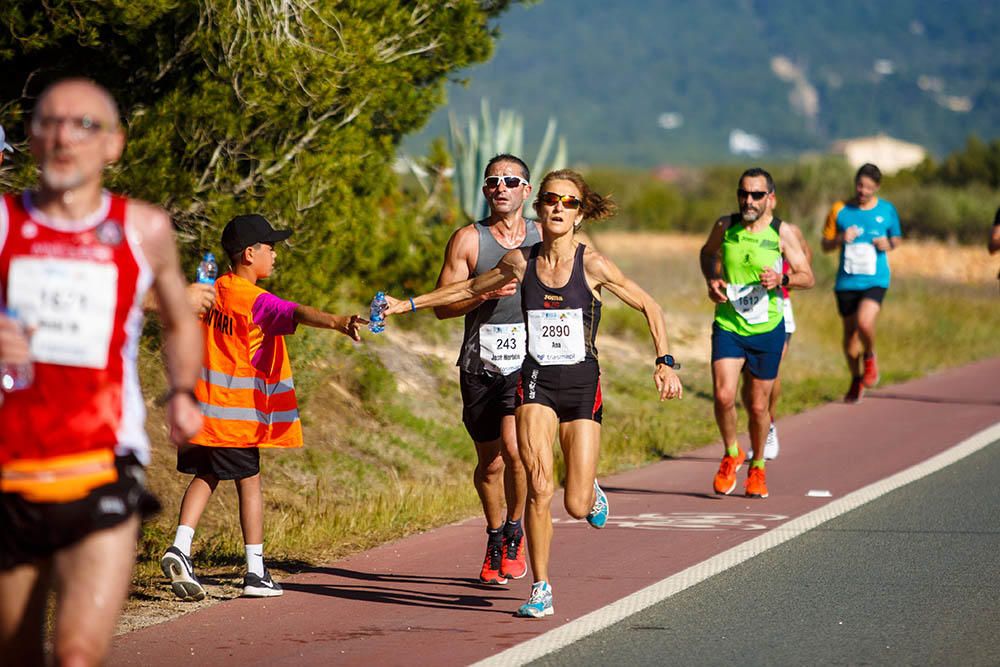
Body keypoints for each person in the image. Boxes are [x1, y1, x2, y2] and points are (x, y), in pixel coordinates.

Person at [384, 169, 683, 618]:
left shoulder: (594, 264)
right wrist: (405, 305)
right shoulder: (520, 261)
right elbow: (467, 287)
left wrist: (664, 362)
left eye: (569, 202)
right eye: (551, 200)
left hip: (582, 384)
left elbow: (650, 306)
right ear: (539, 207)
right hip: (536, 382)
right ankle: (541, 588)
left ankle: (591, 490)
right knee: (539, 485)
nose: (559, 207)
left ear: (580, 215)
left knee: (575, 503)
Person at [0, 78, 203, 667]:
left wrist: (183, 392)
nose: (65, 136)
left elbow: (180, 318)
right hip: (12, 467)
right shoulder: (6, 224)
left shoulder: (144, 229)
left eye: (84, 125)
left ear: (114, 144)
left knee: (78, 655)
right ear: (32, 141)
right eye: (49, 123)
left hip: (103, 464)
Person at [161, 213, 365, 601]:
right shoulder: (254, 300)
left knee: (205, 476)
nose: (276, 255)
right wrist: (338, 321)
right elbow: (296, 312)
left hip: (199, 409)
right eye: (271, 248)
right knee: (249, 484)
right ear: (250, 254)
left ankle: (180, 547)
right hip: (234, 416)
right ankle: (255, 572)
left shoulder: (211, 289)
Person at [433, 154, 539, 585]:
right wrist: (482, 293)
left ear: (526, 191)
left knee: (517, 451)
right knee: (490, 463)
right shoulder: (467, 240)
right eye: (492, 181)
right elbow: (443, 305)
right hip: (480, 361)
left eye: (510, 181)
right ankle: (495, 535)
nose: (501, 187)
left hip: (528, 361)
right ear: (484, 190)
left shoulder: (542, 235)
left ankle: (516, 531)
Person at [700, 168, 814, 499]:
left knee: (758, 405)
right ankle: (732, 452)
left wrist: (783, 280)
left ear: (771, 199)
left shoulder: (783, 233)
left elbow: (808, 276)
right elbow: (707, 255)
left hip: (767, 327)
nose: (748, 200)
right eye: (743, 193)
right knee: (723, 395)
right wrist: (712, 280)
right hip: (729, 324)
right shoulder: (725, 226)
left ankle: (758, 465)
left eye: (756, 195)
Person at [821, 163, 902, 403]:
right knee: (849, 337)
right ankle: (856, 379)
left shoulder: (886, 210)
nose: (862, 191)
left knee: (865, 323)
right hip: (846, 281)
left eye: (868, 187)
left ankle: (869, 357)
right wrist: (839, 239)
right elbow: (824, 244)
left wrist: (889, 244)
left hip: (875, 279)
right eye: (859, 185)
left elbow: (897, 238)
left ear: (876, 188)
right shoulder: (840, 210)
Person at [739, 222, 812, 459]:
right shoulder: (738, 230)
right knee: (748, 376)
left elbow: (805, 263)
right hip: (743, 308)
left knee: (771, 371)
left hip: (778, 308)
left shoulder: (789, 231)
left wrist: (783, 277)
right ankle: (757, 427)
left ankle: (769, 425)